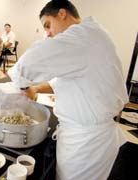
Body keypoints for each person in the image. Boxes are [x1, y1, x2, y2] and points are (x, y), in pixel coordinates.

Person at [8, 0, 128, 180]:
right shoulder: (93, 35)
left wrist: (22, 84)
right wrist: (34, 89)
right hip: (91, 136)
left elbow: (26, 65)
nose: (47, 33)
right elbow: (62, 81)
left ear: (62, 14)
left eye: (48, 25)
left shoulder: (80, 37)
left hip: (86, 144)